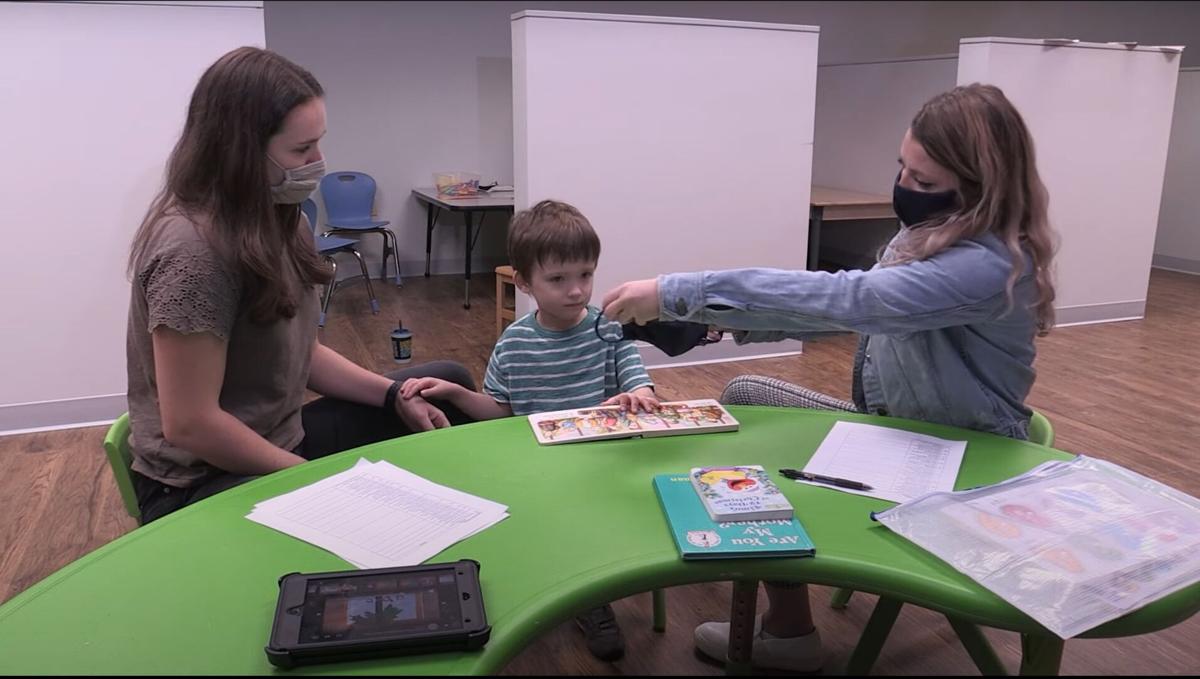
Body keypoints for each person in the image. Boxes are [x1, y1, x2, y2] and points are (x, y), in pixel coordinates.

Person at [600, 83, 1057, 671]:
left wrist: (678, 293)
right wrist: (711, 330)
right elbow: (857, 317)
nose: (904, 188)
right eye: (902, 169)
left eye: (923, 181)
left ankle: (789, 634)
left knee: (751, 469)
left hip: (957, 458)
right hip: (895, 430)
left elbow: (847, 302)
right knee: (747, 394)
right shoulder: (935, 233)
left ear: (978, 187)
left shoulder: (987, 265)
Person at [125, 46, 474, 525]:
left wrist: (396, 397)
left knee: (446, 387)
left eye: (318, 143)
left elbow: (301, 353)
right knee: (373, 517)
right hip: (200, 481)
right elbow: (190, 425)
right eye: (300, 150)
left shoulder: (284, 219)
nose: (318, 162)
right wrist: (320, 481)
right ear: (238, 153)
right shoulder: (193, 254)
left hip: (280, 437)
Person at [399, 199, 659, 661]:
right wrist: (456, 393)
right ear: (524, 282)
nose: (576, 291)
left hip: (603, 457)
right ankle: (570, 589)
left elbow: (639, 381)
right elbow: (501, 412)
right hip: (539, 464)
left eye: (585, 275)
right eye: (558, 279)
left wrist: (637, 395)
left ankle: (593, 594)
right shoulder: (516, 341)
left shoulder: (609, 328)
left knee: (597, 511)